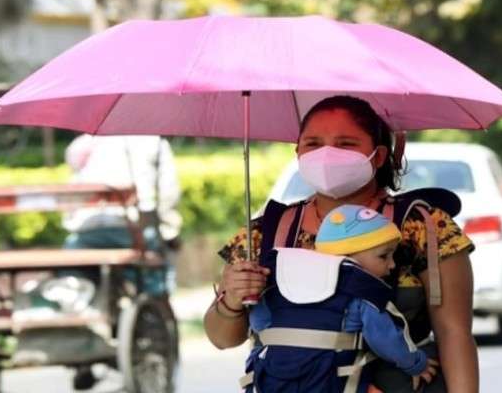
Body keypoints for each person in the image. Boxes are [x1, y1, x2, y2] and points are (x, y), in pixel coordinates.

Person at [205, 95, 479, 392]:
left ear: (378, 155)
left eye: (346, 144)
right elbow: (222, 338)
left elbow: (454, 333)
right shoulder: (265, 233)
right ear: (298, 153)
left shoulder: (424, 226)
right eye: (313, 143)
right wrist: (231, 300)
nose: (327, 154)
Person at [242, 203, 439, 392]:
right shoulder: (361, 291)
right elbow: (386, 340)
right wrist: (416, 364)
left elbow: (260, 322)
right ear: (347, 257)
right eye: (384, 256)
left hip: (275, 379)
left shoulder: (284, 280)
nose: (392, 265)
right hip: (329, 381)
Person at [63, 134, 182, 390]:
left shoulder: (82, 145)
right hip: (133, 231)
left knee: (74, 267)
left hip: (87, 232)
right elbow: (169, 194)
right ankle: (154, 319)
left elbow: (72, 195)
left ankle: (83, 310)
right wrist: (168, 227)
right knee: (154, 271)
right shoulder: (154, 142)